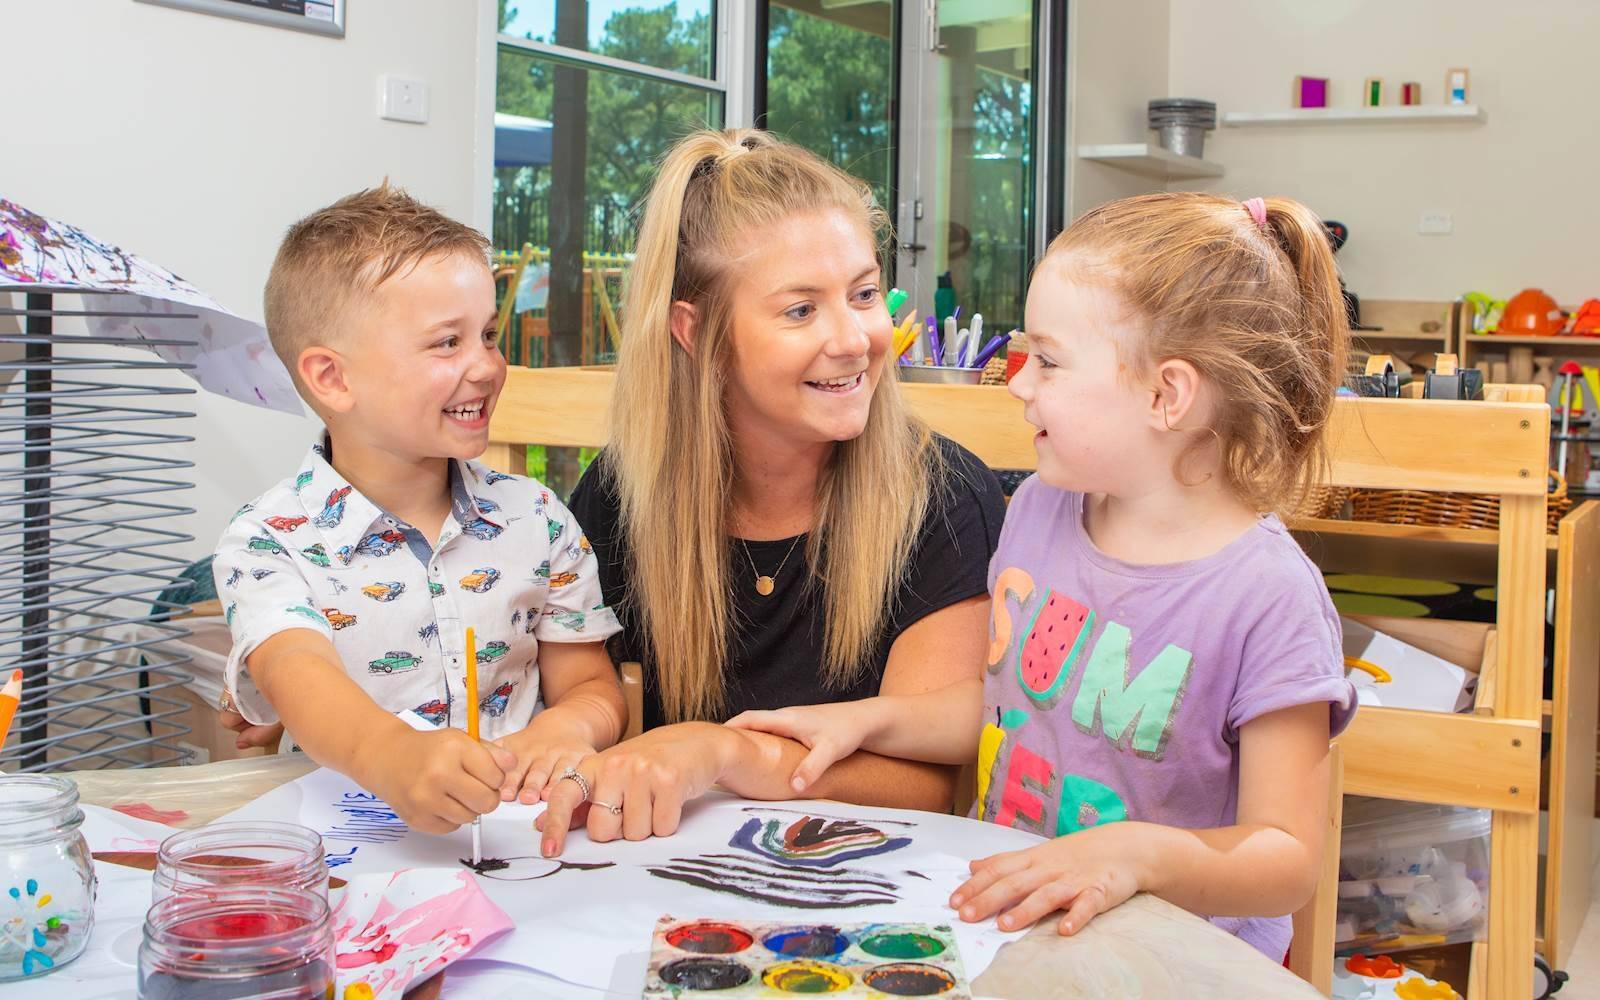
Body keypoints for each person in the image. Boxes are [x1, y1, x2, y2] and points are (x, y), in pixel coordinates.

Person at [730, 193, 1358, 959]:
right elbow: (1012, 704)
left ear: (1167, 395)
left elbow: (1286, 861)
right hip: (1023, 938)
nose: (1019, 384)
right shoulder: (1038, 509)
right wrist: (868, 721)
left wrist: (1136, 857)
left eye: (1049, 362)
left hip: (1179, 963)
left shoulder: (1270, 596)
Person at [538, 129, 1006, 857]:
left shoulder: (943, 499)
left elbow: (927, 787)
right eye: (800, 310)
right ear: (695, 332)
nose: (854, 339)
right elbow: (587, 697)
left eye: (865, 295)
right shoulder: (623, 494)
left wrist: (725, 752)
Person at [213, 183, 626, 834]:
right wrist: (390, 756)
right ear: (332, 378)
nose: (486, 366)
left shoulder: (540, 520)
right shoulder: (268, 541)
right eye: (446, 343)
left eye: (488, 336)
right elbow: (297, 673)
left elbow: (590, 687)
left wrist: (569, 727)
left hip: (519, 841)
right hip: (350, 852)